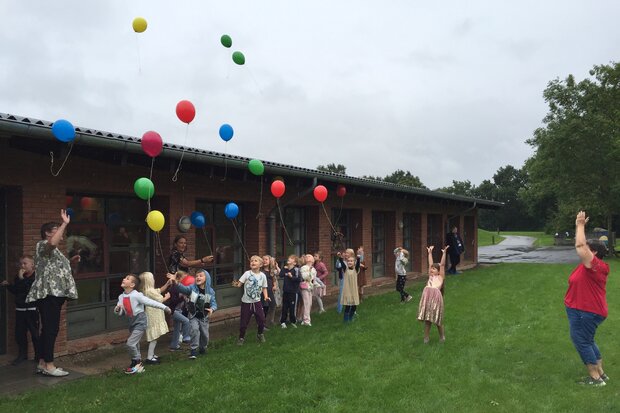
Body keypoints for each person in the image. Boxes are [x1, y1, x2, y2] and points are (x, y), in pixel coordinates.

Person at [27, 210, 79, 377]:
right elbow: (52, 244)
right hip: (49, 295)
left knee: (48, 329)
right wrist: (64, 223)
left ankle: (42, 362)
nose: (61, 233)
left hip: (56, 295)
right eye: (56, 230)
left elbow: (55, 269)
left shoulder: (56, 252)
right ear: (48, 233)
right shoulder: (42, 244)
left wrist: (71, 262)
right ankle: (49, 365)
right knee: (50, 329)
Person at [564, 211, 610, 386]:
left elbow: (580, 245)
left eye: (588, 249)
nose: (583, 251)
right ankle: (601, 373)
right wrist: (578, 226)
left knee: (581, 341)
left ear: (595, 253)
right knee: (588, 340)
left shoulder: (595, 266)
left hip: (586, 311)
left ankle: (595, 379)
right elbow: (582, 247)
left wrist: (580, 225)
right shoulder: (588, 266)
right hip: (582, 309)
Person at [114, 274, 171, 374]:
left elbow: (151, 302)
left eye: (127, 279)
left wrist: (164, 307)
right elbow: (121, 313)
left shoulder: (137, 295)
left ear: (132, 285)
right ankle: (137, 366)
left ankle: (137, 361)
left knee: (130, 343)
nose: (124, 279)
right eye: (124, 278)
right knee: (135, 344)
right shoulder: (121, 297)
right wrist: (117, 309)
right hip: (131, 321)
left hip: (140, 321)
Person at [1, 255, 39, 365]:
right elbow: (18, 291)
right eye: (21, 264)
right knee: (20, 333)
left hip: (32, 308)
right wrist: (8, 286)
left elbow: (29, 290)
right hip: (20, 309)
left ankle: (38, 355)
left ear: (32, 264)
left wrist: (22, 278)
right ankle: (22, 355)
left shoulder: (35, 277)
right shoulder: (18, 277)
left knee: (34, 333)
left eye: (25, 263)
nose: (22, 266)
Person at [172, 268, 217, 359]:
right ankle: (193, 350)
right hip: (193, 315)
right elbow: (183, 289)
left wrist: (212, 309)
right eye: (196, 276)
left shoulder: (210, 291)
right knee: (194, 330)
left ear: (207, 278)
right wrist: (176, 282)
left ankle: (202, 347)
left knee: (204, 335)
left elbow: (214, 303)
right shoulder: (192, 288)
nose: (198, 277)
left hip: (204, 317)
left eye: (201, 276)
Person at [232, 256, 270, 345]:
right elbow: (239, 284)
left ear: (260, 264)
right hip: (246, 303)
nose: (252, 262)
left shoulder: (262, 276)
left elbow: (264, 288)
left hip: (257, 302)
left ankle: (260, 334)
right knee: (244, 323)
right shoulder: (247, 273)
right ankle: (241, 338)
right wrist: (236, 284)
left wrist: (266, 296)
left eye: (255, 261)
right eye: (251, 261)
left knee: (261, 320)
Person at [417, 246, 448, 344]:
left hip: (436, 299)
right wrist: (429, 253)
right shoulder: (430, 276)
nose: (432, 269)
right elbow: (430, 263)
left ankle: (442, 337)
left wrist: (444, 253)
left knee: (437, 320)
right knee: (428, 320)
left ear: (439, 271)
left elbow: (442, 265)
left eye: (434, 269)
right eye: (431, 269)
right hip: (427, 298)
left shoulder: (440, 277)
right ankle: (426, 338)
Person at [138, 272, 170, 364]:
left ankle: (152, 355)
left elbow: (159, 290)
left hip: (153, 314)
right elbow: (160, 299)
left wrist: (167, 284)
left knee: (155, 337)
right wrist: (167, 297)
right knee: (154, 337)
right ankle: (149, 357)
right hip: (154, 316)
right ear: (149, 281)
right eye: (152, 278)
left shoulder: (147, 290)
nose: (154, 280)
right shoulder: (150, 291)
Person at [160, 270, 191, 351]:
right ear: (179, 278)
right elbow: (172, 301)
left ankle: (174, 346)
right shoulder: (173, 288)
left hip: (179, 310)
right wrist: (181, 297)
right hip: (174, 311)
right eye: (183, 278)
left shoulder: (182, 288)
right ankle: (186, 337)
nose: (185, 280)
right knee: (186, 321)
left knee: (177, 328)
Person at [279, 255, 300, 328]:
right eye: (289, 258)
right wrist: (284, 269)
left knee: (292, 307)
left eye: (291, 259)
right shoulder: (285, 269)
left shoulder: (296, 270)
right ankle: (283, 322)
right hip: (285, 291)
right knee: (284, 307)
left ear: (294, 263)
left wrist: (292, 277)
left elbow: (299, 279)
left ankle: (293, 321)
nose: (288, 259)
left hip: (293, 292)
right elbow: (280, 275)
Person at [340, 255, 360, 323]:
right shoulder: (345, 269)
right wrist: (340, 258)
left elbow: (358, 265)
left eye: (351, 261)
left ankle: (350, 318)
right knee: (348, 306)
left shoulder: (356, 270)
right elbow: (342, 264)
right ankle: (346, 320)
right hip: (347, 290)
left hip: (354, 290)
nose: (349, 262)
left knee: (354, 306)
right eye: (348, 261)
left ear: (354, 262)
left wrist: (358, 258)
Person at [299, 254, 317, 326]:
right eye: (307, 256)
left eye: (310, 256)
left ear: (313, 260)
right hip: (305, 287)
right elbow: (305, 277)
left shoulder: (313, 269)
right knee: (306, 303)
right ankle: (306, 321)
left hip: (310, 287)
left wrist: (315, 284)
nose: (308, 257)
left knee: (309, 304)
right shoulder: (304, 267)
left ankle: (304, 319)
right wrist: (309, 271)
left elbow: (314, 278)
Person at [261, 255, 277, 328]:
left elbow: (273, 279)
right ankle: (262, 324)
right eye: (263, 259)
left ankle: (271, 320)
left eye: (266, 259)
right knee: (265, 306)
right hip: (264, 291)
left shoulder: (271, 271)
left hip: (270, 291)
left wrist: (274, 285)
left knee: (273, 305)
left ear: (270, 261)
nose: (264, 260)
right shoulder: (261, 271)